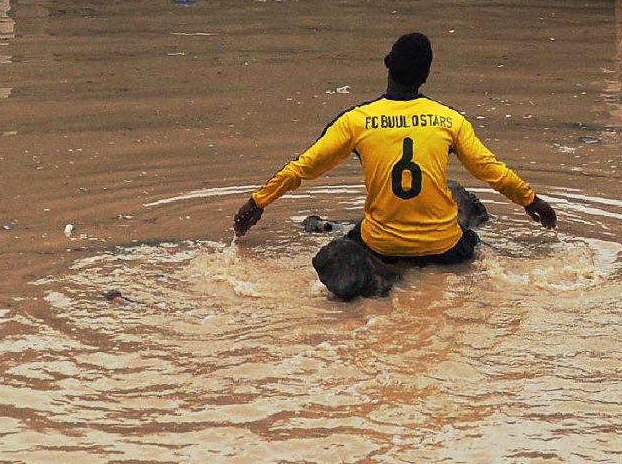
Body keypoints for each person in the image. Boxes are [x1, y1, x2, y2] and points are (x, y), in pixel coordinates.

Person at [233, 31, 554, 299]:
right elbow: (490, 169)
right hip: (442, 247)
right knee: (471, 237)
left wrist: (258, 201)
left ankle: (378, 282)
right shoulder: (450, 120)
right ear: (425, 75)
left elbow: (304, 167)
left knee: (355, 233)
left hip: (382, 245)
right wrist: (530, 200)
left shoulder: (356, 121)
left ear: (388, 65)